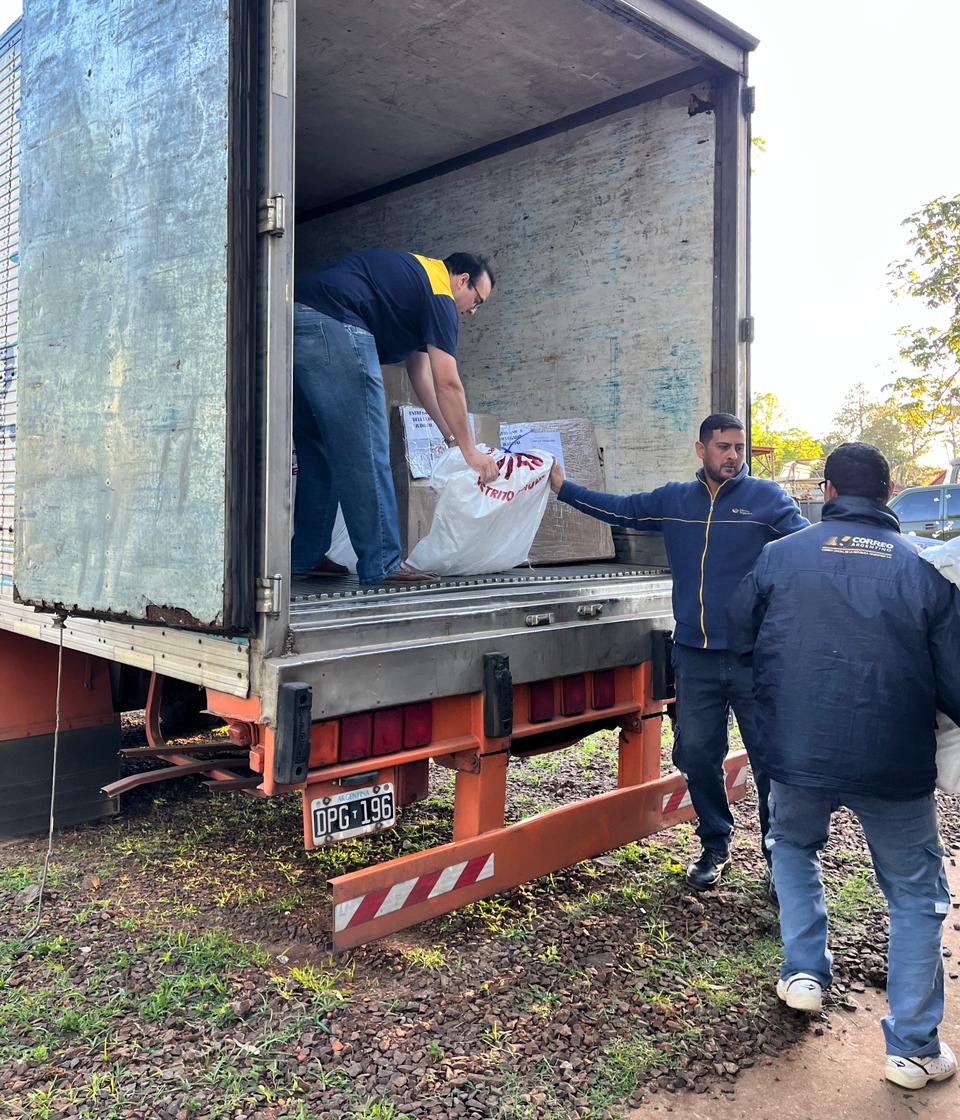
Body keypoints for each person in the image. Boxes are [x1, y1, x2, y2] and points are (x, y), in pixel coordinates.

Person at [727, 443, 960, 1090]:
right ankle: (913, 1048)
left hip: (797, 754)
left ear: (826, 492)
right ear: (887, 496)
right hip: (895, 762)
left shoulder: (777, 558)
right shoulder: (923, 570)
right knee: (915, 895)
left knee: (793, 845)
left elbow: (737, 636)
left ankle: (804, 970)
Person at [550, 412, 807, 893]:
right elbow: (622, 509)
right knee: (695, 753)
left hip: (756, 658)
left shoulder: (767, 499)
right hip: (695, 655)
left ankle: (782, 859)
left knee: (771, 761)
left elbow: (804, 549)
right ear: (701, 450)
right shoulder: (675, 500)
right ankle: (715, 841)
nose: (733, 456)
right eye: (723, 447)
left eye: (739, 447)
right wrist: (565, 488)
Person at [292, 249, 499, 588]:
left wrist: (450, 436)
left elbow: (424, 379)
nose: (473, 312)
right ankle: (383, 562)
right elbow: (449, 382)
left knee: (320, 453)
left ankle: (306, 556)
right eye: (477, 300)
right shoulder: (439, 294)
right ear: (462, 280)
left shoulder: (418, 286)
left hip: (294, 320)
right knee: (367, 450)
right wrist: (471, 451)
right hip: (334, 322)